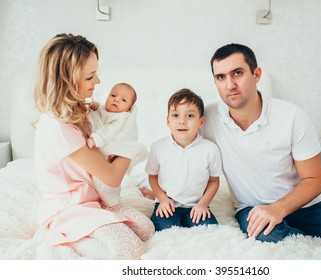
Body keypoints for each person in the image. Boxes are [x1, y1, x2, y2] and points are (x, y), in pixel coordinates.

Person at [200, 43, 321, 259]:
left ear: (256, 74)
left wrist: (279, 208)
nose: (230, 84)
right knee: (274, 241)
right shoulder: (209, 117)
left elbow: (315, 179)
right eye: (220, 77)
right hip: (253, 206)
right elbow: (181, 147)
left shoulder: (291, 116)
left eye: (237, 73)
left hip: (311, 205)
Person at [33, 33, 154, 260]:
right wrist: (129, 136)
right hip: (70, 208)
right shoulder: (58, 126)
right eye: (90, 77)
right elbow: (111, 177)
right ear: (66, 80)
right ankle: (57, 234)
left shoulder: (79, 111)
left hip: (93, 200)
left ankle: (95, 225)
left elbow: (105, 135)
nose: (98, 81)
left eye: (96, 73)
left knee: (146, 229)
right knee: (129, 250)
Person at [145, 88, 223, 231]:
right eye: (175, 115)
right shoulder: (158, 147)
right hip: (168, 204)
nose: (182, 121)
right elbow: (152, 177)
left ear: (201, 121)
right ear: (168, 121)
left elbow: (214, 181)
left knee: (211, 233)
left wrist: (203, 204)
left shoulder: (210, 149)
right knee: (161, 233)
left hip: (196, 205)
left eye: (190, 116)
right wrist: (162, 199)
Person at [87, 82, 147, 207]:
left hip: (108, 150)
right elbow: (99, 111)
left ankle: (111, 199)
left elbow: (109, 130)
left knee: (105, 184)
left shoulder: (120, 118)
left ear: (129, 108)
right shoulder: (104, 109)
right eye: (113, 95)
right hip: (98, 155)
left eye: (123, 100)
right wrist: (94, 106)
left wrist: (95, 138)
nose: (116, 100)